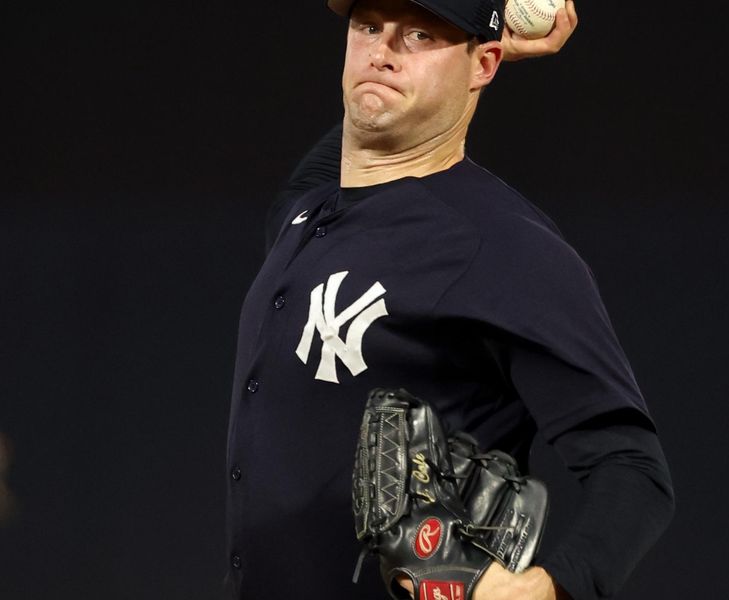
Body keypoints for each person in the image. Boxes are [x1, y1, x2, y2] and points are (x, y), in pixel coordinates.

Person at [223, 1, 674, 599]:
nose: (381, 52)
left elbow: (633, 468)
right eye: (368, 27)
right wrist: (469, 53)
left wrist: (548, 588)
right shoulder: (306, 216)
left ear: (485, 64)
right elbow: (335, 161)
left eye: (418, 34)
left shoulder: (501, 245)